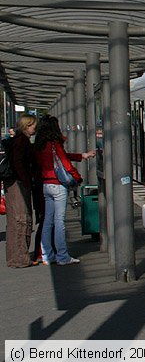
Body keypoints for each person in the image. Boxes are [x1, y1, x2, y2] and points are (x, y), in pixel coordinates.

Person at [34, 116, 95, 265]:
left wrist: (81, 156)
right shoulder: (55, 143)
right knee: (59, 221)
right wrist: (77, 177)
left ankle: (47, 255)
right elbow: (65, 163)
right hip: (58, 185)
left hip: (46, 185)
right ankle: (62, 256)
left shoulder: (39, 145)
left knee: (48, 221)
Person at [4, 114, 37, 268]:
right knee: (21, 219)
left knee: (13, 221)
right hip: (18, 183)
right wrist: (26, 180)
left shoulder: (15, 140)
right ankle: (21, 258)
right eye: (33, 126)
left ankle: (13, 257)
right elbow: (19, 161)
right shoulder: (22, 141)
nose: (35, 128)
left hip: (11, 182)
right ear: (27, 125)